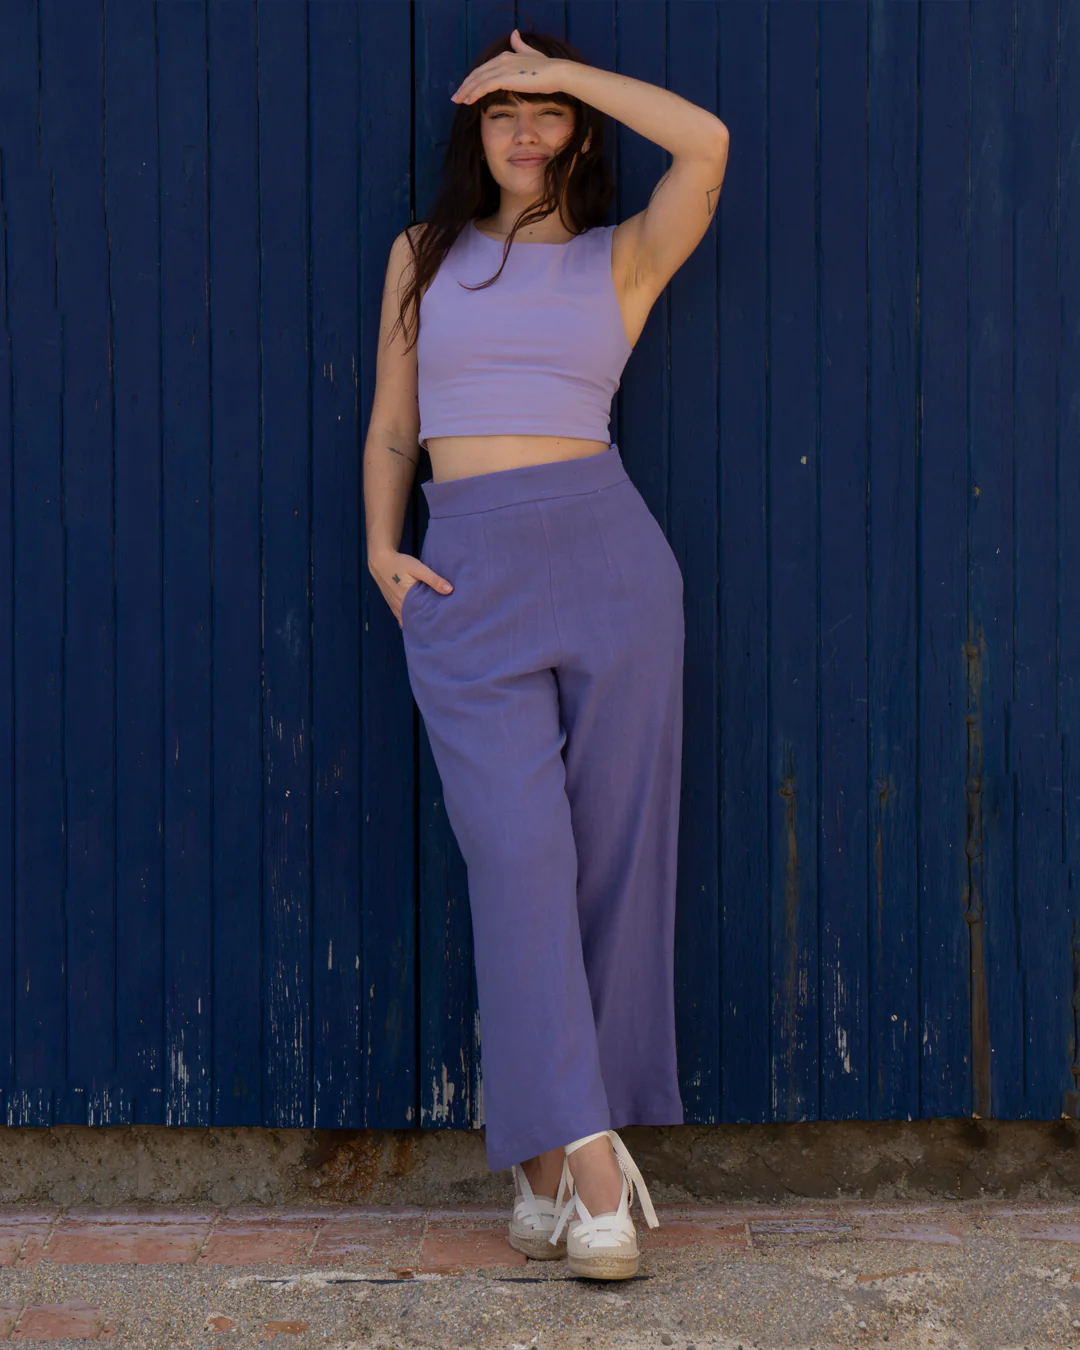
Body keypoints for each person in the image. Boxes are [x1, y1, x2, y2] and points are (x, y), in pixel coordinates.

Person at [363, 26, 728, 1281]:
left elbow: (707, 143)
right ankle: (595, 1170)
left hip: (611, 566)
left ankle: (537, 1158)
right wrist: (380, 549)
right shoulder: (422, 254)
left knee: (613, 867)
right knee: (519, 861)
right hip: (466, 574)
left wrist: (565, 72)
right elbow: (395, 423)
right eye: (502, 111)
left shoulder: (624, 255)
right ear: (472, 132)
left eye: (547, 111)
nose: (524, 131)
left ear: (578, 128)